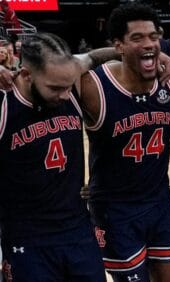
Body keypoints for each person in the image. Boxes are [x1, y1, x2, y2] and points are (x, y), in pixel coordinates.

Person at [80, 3, 170, 281]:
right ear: (119, 46)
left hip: (160, 203)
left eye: (153, 37)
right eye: (137, 38)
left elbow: (168, 129)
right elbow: (55, 69)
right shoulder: (94, 87)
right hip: (114, 210)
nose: (149, 44)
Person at [0, 33, 106, 281]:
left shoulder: (66, 78)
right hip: (27, 237)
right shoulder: (5, 107)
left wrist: (161, 56)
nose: (66, 95)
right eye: (56, 88)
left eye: (69, 86)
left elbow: (95, 56)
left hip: (77, 229)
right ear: (26, 75)